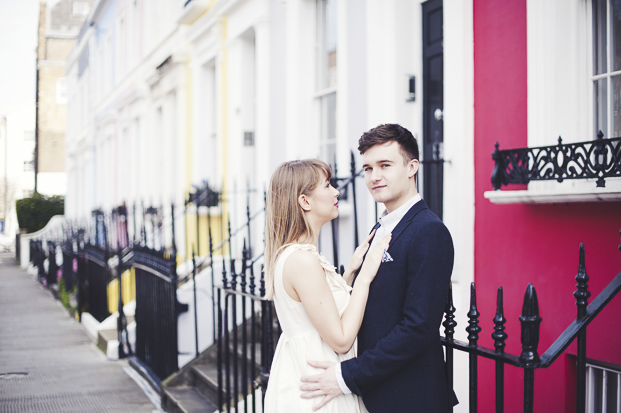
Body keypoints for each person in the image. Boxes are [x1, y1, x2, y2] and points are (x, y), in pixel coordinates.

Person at [299, 124, 457, 412]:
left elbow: (418, 328)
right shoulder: (381, 227)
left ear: (412, 167)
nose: (375, 176)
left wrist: (346, 376)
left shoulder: (429, 231)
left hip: (411, 398)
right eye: (368, 168)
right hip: (376, 395)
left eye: (385, 165)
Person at [263, 159, 391, 412]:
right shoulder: (302, 260)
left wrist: (351, 272)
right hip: (319, 392)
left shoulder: (295, 255)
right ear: (305, 201)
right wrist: (365, 276)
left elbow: (317, 312)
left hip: (309, 382)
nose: (336, 192)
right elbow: (341, 340)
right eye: (327, 185)